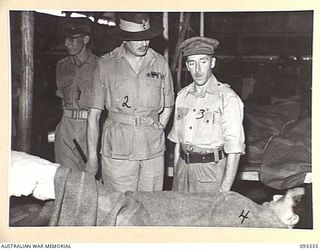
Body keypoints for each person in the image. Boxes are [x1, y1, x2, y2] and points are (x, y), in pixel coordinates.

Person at [10, 150, 304, 228]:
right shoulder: (257, 218)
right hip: (139, 207)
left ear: (292, 220)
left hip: (135, 217)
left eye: (287, 199)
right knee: (59, 194)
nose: (276, 195)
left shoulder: (261, 223)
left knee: (66, 185)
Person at [85, 13, 175, 192]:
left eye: (147, 37)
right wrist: (92, 158)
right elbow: (93, 116)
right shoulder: (106, 65)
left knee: (150, 208)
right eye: (138, 39)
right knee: (119, 208)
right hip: (118, 151)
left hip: (152, 152)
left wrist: (159, 127)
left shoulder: (160, 63)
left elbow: (169, 104)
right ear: (124, 38)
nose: (144, 43)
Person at [168, 36, 245, 193]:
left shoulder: (228, 98)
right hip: (183, 170)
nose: (197, 70)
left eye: (203, 61)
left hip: (210, 173)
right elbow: (178, 143)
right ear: (187, 66)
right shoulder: (182, 96)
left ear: (212, 63)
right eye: (192, 63)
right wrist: (177, 176)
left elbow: (234, 150)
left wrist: (224, 191)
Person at [54, 17, 98, 173]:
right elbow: (60, 95)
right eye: (66, 39)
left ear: (85, 39)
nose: (66, 43)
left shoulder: (100, 67)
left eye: (72, 39)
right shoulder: (61, 66)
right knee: (66, 178)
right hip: (66, 126)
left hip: (90, 128)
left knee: (91, 180)